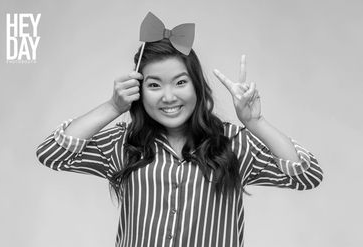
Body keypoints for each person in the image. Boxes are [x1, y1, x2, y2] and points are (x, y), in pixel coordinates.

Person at [36, 14, 323, 247]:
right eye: (154, 85)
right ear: (139, 90)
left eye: (180, 82)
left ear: (197, 86)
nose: (168, 96)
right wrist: (113, 106)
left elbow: (307, 176)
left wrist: (256, 123)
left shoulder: (234, 143)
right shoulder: (124, 144)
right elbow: (51, 153)